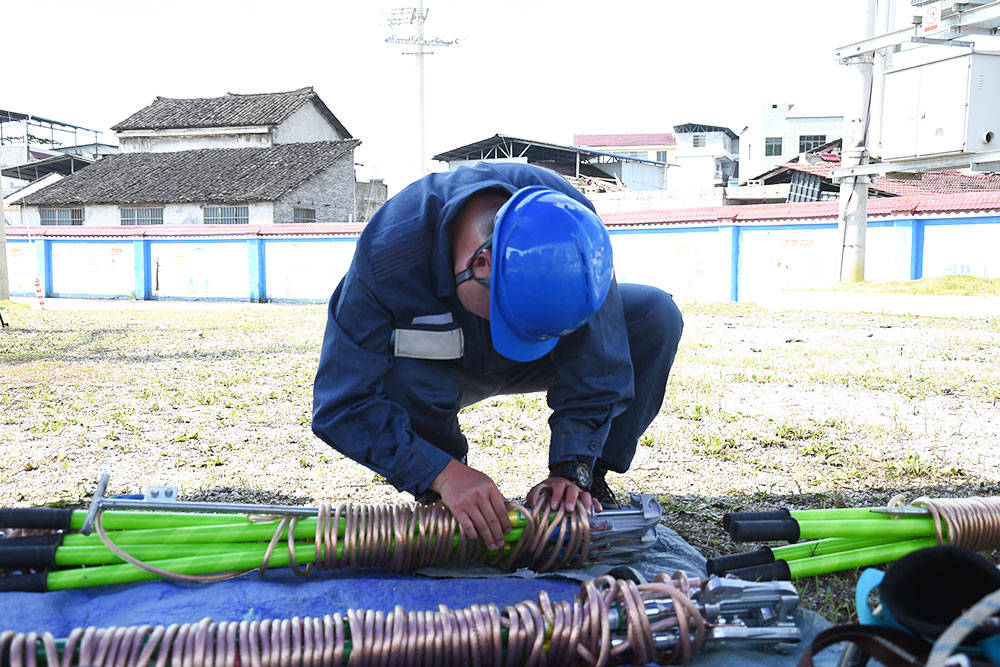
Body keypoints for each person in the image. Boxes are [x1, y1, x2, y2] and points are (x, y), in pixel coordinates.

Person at [312, 162, 682, 552]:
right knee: (401, 376)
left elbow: (600, 361)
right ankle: (444, 496)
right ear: (480, 263)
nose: (515, 338)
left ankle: (591, 477)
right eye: (508, 318)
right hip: (439, 371)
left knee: (654, 315)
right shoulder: (389, 252)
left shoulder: (571, 229)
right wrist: (440, 472)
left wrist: (572, 471)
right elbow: (342, 403)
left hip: (546, 361)